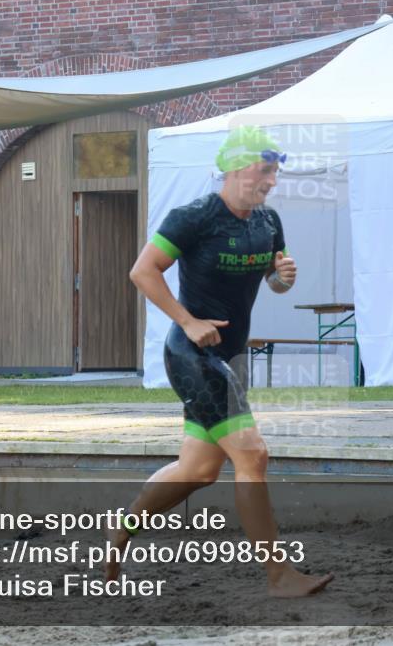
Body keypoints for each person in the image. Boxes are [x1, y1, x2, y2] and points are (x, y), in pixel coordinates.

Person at [108, 125, 334, 598]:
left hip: (231, 357)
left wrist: (283, 277)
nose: (271, 181)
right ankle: (279, 576)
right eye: (264, 170)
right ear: (234, 167)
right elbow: (142, 271)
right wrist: (188, 321)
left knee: (198, 470)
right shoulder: (194, 217)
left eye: (274, 173)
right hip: (192, 355)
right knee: (253, 455)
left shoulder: (268, 222)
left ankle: (120, 531)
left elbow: (275, 283)